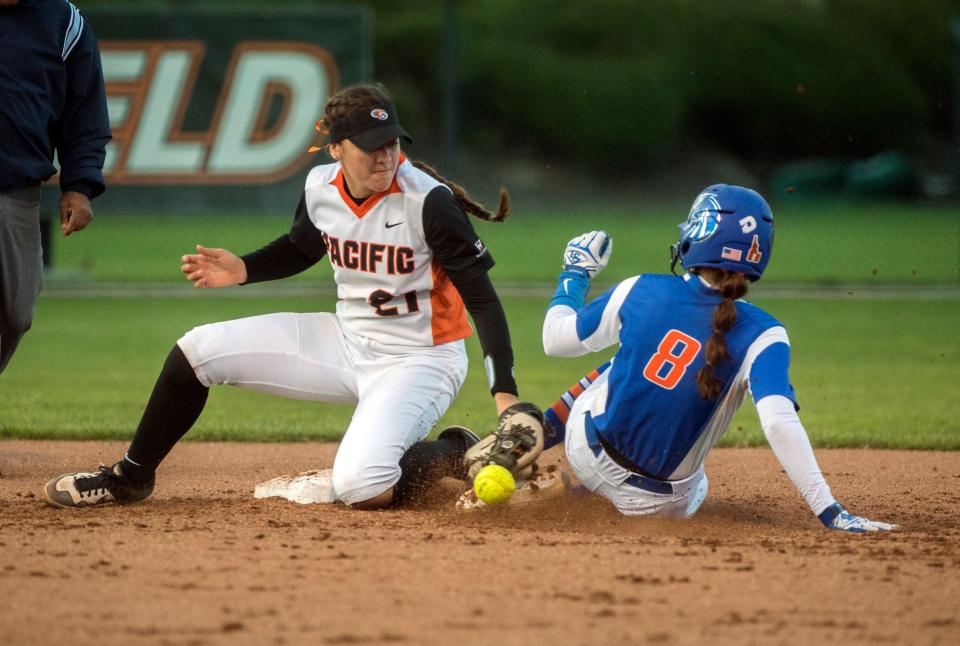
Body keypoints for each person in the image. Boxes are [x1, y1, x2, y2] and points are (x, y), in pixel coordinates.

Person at [44, 83, 543, 510]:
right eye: (370, 145)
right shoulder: (320, 186)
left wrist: (504, 395)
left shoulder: (427, 202)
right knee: (196, 352)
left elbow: (482, 299)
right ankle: (131, 478)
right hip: (346, 340)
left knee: (362, 486)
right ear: (336, 148)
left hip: (420, 360)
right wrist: (244, 269)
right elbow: (301, 247)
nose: (385, 155)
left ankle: (454, 451)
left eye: (391, 142)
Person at [535, 185, 896, 532]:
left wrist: (576, 272)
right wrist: (829, 510)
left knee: (627, 361)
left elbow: (555, 341)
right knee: (699, 474)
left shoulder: (641, 287)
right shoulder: (765, 333)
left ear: (700, 233)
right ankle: (592, 496)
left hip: (585, 451)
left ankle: (535, 439)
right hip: (655, 506)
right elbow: (778, 423)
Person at [0, 0, 111, 374]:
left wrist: (79, 185)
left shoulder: (62, 21)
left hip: (15, 191)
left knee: (15, 314)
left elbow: (84, 112)